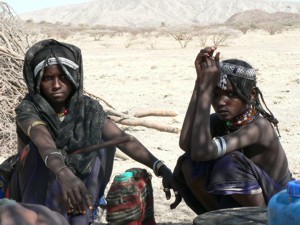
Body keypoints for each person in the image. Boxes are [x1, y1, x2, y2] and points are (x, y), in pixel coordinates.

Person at [5, 39, 174, 225]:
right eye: (47, 78)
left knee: (102, 144)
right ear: (37, 81)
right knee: (42, 153)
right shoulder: (28, 109)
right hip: (34, 187)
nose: (56, 85)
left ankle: (84, 213)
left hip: (78, 186)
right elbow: (44, 142)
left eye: (63, 76)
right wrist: (64, 172)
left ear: (74, 76)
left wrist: (160, 167)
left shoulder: (88, 108)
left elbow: (123, 140)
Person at [172, 47, 293, 214]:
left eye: (230, 94)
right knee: (188, 163)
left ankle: (259, 222)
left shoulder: (259, 127)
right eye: (215, 94)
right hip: (255, 197)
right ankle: (217, 219)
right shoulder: (223, 121)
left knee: (229, 163)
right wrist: (200, 84)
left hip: (280, 202)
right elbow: (187, 144)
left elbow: (203, 152)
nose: (221, 102)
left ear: (251, 95)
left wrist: (207, 91)